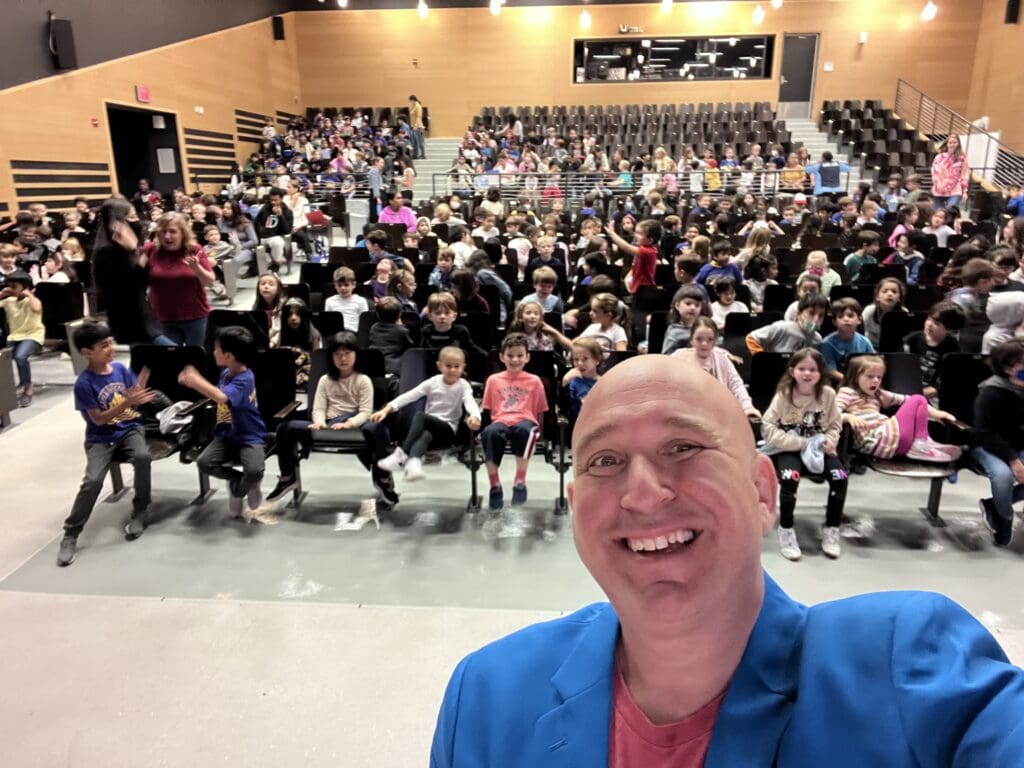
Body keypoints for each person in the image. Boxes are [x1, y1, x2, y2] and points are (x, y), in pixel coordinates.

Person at [432, 354, 1024, 766]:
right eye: (605, 461)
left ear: (764, 492)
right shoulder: (486, 696)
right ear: (575, 504)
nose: (642, 493)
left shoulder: (907, 664)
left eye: (683, 447)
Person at [57, 321, 155, 566]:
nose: (111, 348)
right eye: (104, 345)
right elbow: (99, 420)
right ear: (86, 352)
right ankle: (71, 533)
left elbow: (134, 398)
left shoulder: (120, 370)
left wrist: (140, 392)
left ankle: (140, 510)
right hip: (100, 438)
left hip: (129, 429)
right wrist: (126, 401)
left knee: (143, 457)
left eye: (111, 342)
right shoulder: (84, 383)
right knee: (92, 481)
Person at [266, 332, 399, 507]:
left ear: (355, 355)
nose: (342, 358)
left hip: (356, 425)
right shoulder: (325, 380)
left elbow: (365, 412)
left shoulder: (363, 380)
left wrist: (349, 423)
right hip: (328, 425)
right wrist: (320, 422)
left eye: (347, 353)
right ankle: (287, 477)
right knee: (284, 428)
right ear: (332, 357)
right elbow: (319, 408)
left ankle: (383, 478)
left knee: (378, 428)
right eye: (337, 354)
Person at [179, 326, 274, 523]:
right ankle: (237, 481)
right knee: (204, 462)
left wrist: (195, 380)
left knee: (255, 470)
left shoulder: (245, 378)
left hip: (250, 436)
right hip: (226, 435)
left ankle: (243, 489)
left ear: (229, 356)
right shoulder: (226, 373)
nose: (213, 352)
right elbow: (217, 395)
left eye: (216, 348)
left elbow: (222, 397)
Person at [760, 348, 847, 560]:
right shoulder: (783, 396)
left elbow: (835, 425)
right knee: (790, 478)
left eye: (813, 370)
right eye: (802, 369)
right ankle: (786, 529)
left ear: (820, 373)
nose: (807, 374)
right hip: (790, 448)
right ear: (792, 371)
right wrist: (799, 443)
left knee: (840, 478)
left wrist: (830, 441)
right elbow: (768, 428)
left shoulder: (828, 395)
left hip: (819, 448)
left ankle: (832, 528)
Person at [372, 346, 481, 482]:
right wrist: (386, 409)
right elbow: (409, 396)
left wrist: (475, 416)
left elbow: (470, 402)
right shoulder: (433, 382)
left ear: (463, 367)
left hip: (448, 431)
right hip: (431, 431)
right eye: (448, 366)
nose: (452, 370)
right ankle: (414, 464)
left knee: (420, 416)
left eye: (456, 366)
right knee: (425, 435)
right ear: (439, 366)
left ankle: (401, 453)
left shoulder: (463, 385)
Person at [838, 355, 961, 463]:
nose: (875, 381)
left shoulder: (879, 394)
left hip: (896, 446)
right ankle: (922, 443)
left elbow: (906, 399)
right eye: (870, 376)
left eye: (879, 377)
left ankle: (926, 448)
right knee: (918, 399)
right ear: (855, 376)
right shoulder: (848, 392)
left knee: (916, 400)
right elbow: (830, 414)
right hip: (876, 439)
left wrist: (937, 414)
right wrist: (847, 416)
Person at [480, 333, 548, 510]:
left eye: (519, 355)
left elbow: (541, 410)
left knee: (523, 430)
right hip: (501, 420)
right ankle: (495, 485)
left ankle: (520, 480)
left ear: (527, 357)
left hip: (525, 420)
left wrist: (541, 433)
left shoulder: (535, 381)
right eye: (510, 355)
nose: (515, 359)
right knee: (489, 433)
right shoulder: (493, 380)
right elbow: (487, 409)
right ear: (502, 357)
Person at [91, 198, 167, 346]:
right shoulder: (107, 253)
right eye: (132, 217)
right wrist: (142, 256)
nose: (137, 221)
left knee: (144, 364)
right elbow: (131, 286)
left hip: (143, 315)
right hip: (130, 319)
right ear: (117, 223)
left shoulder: (124, 250)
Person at [972, 340, 1024, 547]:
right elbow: (985, 433)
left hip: (1017, 444)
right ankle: (1004, 519)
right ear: (1008, 367)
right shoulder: (990, 392)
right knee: (1003, 476)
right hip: (986, 446)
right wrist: (1013, 461)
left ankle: (993, 506)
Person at [671, 316, 759, 418]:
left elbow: (736, 385)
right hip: (687, 415)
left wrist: (747, 407)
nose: (704, 343)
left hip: (719, 415)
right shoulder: (679, 356)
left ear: (715, 340)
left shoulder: (722, 358)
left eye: (710, 339)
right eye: (699, 339)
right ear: (691, 340)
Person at [0, 271, 43, 407]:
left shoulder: (32, 300)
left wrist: (28, 294)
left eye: (14, 286)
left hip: (33, 335)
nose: (11, 289)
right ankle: (12, 386)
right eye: (10, 286)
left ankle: (28, 389)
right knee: (3, 358)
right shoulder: (8, 301)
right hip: (14, 336)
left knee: (20, 357)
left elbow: (36, 307)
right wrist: (2, 294)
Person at [746, 294, 827, 354]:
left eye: (821, 315)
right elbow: (751, 338)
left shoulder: (817, 339)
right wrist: (764, 359)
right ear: (799, 314)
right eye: (811, 313)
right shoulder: (782, 327)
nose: (816, 319)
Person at [820, 297, 875, 384]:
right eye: (840, 316)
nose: (846, 319)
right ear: (834, 321)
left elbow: (874, 361)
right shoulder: (826, 343)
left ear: (859, 320)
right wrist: (851, 381)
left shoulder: (865, 341)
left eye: (850, 315)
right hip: (837, 384)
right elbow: (830, 371)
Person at [603, 219, 660, 294]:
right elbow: (634, 268)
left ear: (650, 240)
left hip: (645, 290)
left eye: (639, 234)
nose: (635, 235)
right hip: (638, 289)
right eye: (635, 232)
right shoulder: (643, 250)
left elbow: (626, 247)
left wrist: (612, 234)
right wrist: (627, 278)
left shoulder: (648, 251)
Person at [561, 337, 602, 427]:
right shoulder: (572, 382)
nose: (579, 363)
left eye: (585, 359)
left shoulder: (604, 383)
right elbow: (563, 408)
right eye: (576, 359)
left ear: (597, 360)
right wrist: (564, 383)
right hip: (578, 426)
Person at [369, 296, 414, 376]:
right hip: (394, 367)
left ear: (378, 315)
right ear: (399, 315)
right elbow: (410, 346)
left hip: (374, 364)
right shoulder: (402, 331)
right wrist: (401, 326)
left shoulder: (373, 327)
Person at [862, 277, 910, 348]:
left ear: (899, 297)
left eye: (894, 291)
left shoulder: (904, 313)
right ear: (877, 296)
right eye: (885, 291)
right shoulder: (870, 310)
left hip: (894, 350)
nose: (890, 294)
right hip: (871, 348)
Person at [254, 188, 293, 272]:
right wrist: (258, 236)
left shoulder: (287, 212)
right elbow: (256, 221)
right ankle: (254, 269)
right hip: (263, 236)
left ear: (281, 199)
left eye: (276, 200)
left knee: (278, 243)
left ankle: (276, 264)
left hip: (276, 236)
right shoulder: (265, 208)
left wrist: (280, 215)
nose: (273, 202)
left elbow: (287, 230)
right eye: (271, 200)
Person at [662, 284, 705, 354]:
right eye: (688, 304)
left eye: (697, 305)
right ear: (677, 305)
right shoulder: (674, 332)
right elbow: (666, 356)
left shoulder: (703, 328)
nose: (693, 308)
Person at [931, 134, 970, 210]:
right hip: (939, 189)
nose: (952, 144)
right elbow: (934, 172)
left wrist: (965, 191)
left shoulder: (962, 158)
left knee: (951, 211)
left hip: (955, 189)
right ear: (947, 144)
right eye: (950, 142)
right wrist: (936, 184)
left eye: (954, 142)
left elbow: (964, 174)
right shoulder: (939, 157)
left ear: (958, 144)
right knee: (937, 211)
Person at [324, 266, 369, 332]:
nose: (343, 288)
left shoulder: (361, 301)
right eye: (339, 285)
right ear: (335, 286)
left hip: (354, 334)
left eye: (346, 285)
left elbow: (365, 323)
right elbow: (328, 322)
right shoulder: (329, 301)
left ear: (354, 285)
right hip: (336, 334)